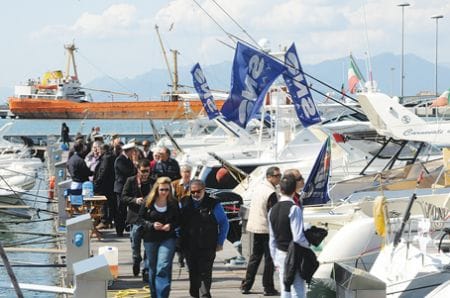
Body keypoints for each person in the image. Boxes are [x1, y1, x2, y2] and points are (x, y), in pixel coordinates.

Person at [179, 179, 229, 298]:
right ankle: (195, 293)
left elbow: (224, 223)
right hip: (189, 245)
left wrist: (220, 242)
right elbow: (177, 222)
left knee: (205, 272)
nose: (195, 194)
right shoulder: (183, 203)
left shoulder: (214, 204)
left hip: (208, 244)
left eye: (198, 191)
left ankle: (205, 295)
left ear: (204, 190)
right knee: (193, 272)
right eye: (193, 192)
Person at [241, 166, 281, 296]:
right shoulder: (270, 192)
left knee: (255, 257)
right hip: (266, 228)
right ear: (269, 177)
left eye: (279, 175)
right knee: (269, 259)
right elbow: (273, 213)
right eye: (276, 176)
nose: (279, 178)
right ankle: (268, 287)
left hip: (256, 227)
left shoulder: (259, 187)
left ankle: (246, 285)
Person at [138, 176, 180, 298]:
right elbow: (140, 219)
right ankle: (154, 294)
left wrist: (170, 226)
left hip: (168, 238)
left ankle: (163, 295)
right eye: (162, 189)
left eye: (167, 190)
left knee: (163, 266)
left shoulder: (173, 203)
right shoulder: (148, 201)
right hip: (150, 238)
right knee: (152, 267)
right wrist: (151, 225)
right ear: (157, 189)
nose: (164, 192)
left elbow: (179, 220)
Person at [269, 175, 309, 297]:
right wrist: (309, 244)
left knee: (285, 287)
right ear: (294, 190)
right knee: (298, 289)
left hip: (280, 254)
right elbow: (297, 237)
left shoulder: (272, 210)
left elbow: (272, 239)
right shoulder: (294, 209)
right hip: (294, 254)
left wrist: (274, 259)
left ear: (280, 190)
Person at [122, 159, 153, 280]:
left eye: (147, 171)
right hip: (135, 217)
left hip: (149, 218)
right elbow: (123, 197)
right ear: (138, 170)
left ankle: (146, 269)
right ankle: (136, 259)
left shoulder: (153, 182)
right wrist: (135, 200)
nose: (145, 173)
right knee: (135, 244)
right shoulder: (131, 181)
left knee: (149, 246)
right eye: (143, 171)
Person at [171, 163, 192, 268]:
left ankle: (188, 260)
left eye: (188, 172)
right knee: (178, 238)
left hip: (190, 217)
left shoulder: (194, 185)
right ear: (181, 173)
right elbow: (171, 199)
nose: (186, 174)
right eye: (184, 172)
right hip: (178, 215)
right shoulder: (174, 184)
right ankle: (180, 256)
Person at [114, 142, 137, 237]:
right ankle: (119, 230)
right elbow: (128, 172)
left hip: (127, 188)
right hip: (121, 188)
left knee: (127, 209)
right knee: (121, 210)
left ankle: (127, 226)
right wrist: (135, 165)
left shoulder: (127, 159)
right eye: (132, 151)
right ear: (129, 151)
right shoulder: (120, 160)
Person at [93, 144, 116, 230]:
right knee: (109, 203)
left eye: (98, 149)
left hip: (104, 185)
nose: (97, 151)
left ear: (103, 150)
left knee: (102, 203)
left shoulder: (106, 158)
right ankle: (108, 221)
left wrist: (97, 182)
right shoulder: (111, 157)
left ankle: (104, 221)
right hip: (110, 184)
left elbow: (103, 171)